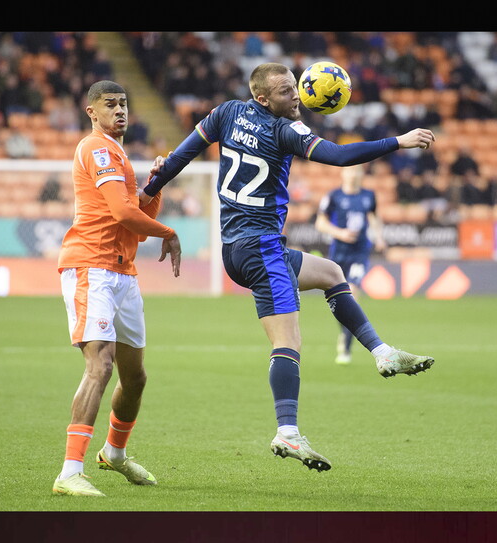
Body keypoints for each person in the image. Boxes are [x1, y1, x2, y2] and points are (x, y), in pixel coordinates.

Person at [139, 62, 436, 472]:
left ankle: (382, 353)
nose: (296, 96)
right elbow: (338, 156)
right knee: (288, 344)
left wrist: (146, 193)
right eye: (284, 91)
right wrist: (397, 142)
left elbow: (179, 157)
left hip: (237, 249)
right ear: (263, 98)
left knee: (331, 273)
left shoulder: (225, 113)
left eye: (295, 87)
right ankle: (288, 432)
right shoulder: (285, 130)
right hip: (263, 250)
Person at [52, 80, 182, 497]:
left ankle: (114, 453)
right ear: (92, 111)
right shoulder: (98, 148)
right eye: (110, 105)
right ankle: (70, 472)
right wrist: (169, 231)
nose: (120, 111)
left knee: (136, 377)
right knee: (100, 366)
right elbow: (123, 212)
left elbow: (135, 216)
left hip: (123, 273)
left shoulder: (119, 152)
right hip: (92, 267)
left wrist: (155, 185)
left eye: (124, 104)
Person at [314, 164, 388, 364]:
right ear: (343, 173)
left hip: (359, 253)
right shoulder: (334, 196)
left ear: (362, 174)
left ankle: (346, 344)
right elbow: (320, 223)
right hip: (338, 254)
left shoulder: (368, 196)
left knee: (353, 293)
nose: (353, 175)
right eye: (350, 171)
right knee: (340, 298)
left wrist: (379, 237)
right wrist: (340, 234)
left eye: (357, 171)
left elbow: (374, 217)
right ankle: (344, 333)